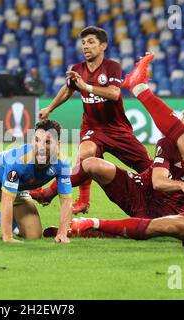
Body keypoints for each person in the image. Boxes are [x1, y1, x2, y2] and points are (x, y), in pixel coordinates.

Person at [72, 52, 184, 248]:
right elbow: (159, 181)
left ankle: (92, 225)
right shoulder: (169, 144)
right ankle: (139, 87)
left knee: (161, 227)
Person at [31, 26, 152, 214]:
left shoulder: (112, 67)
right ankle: (81, 200)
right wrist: (50, 108)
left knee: (148, 167)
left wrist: (86, 86)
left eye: (91, 42)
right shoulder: (77, 69)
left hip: (117, 130)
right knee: (86, 153)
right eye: (83, 43)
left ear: (103, 45)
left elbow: (113, 93)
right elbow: (68, 88)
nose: (86, 46)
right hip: (92, 129)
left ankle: (162, 198)